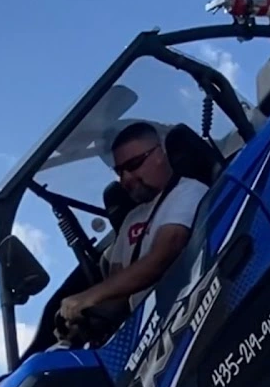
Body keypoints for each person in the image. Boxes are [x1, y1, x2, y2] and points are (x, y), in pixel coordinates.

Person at [55, 122, 210, 328]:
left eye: (134, 164)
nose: (125, 178)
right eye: (120, 172)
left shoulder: (188, 191)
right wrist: (82, 317)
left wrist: (89, 296)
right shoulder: (131, 219)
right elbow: (117, 294)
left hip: (193, 309)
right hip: (147, 331)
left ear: (160, 154)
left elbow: (162, 257)